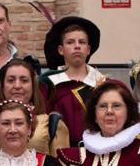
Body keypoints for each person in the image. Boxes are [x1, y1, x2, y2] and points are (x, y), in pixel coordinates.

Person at [0, 58, 70, 156]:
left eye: (24, 80)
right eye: (11, 80)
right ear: (2, 86)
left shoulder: (52, 124)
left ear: (33, 86)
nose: (17, 86)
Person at [41, 16, 107, 145]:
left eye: (82, 42)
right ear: (61, 50)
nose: (77, 46)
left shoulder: (105, 85)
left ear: (88, 49)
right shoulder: (47, 85)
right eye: (70, 42)